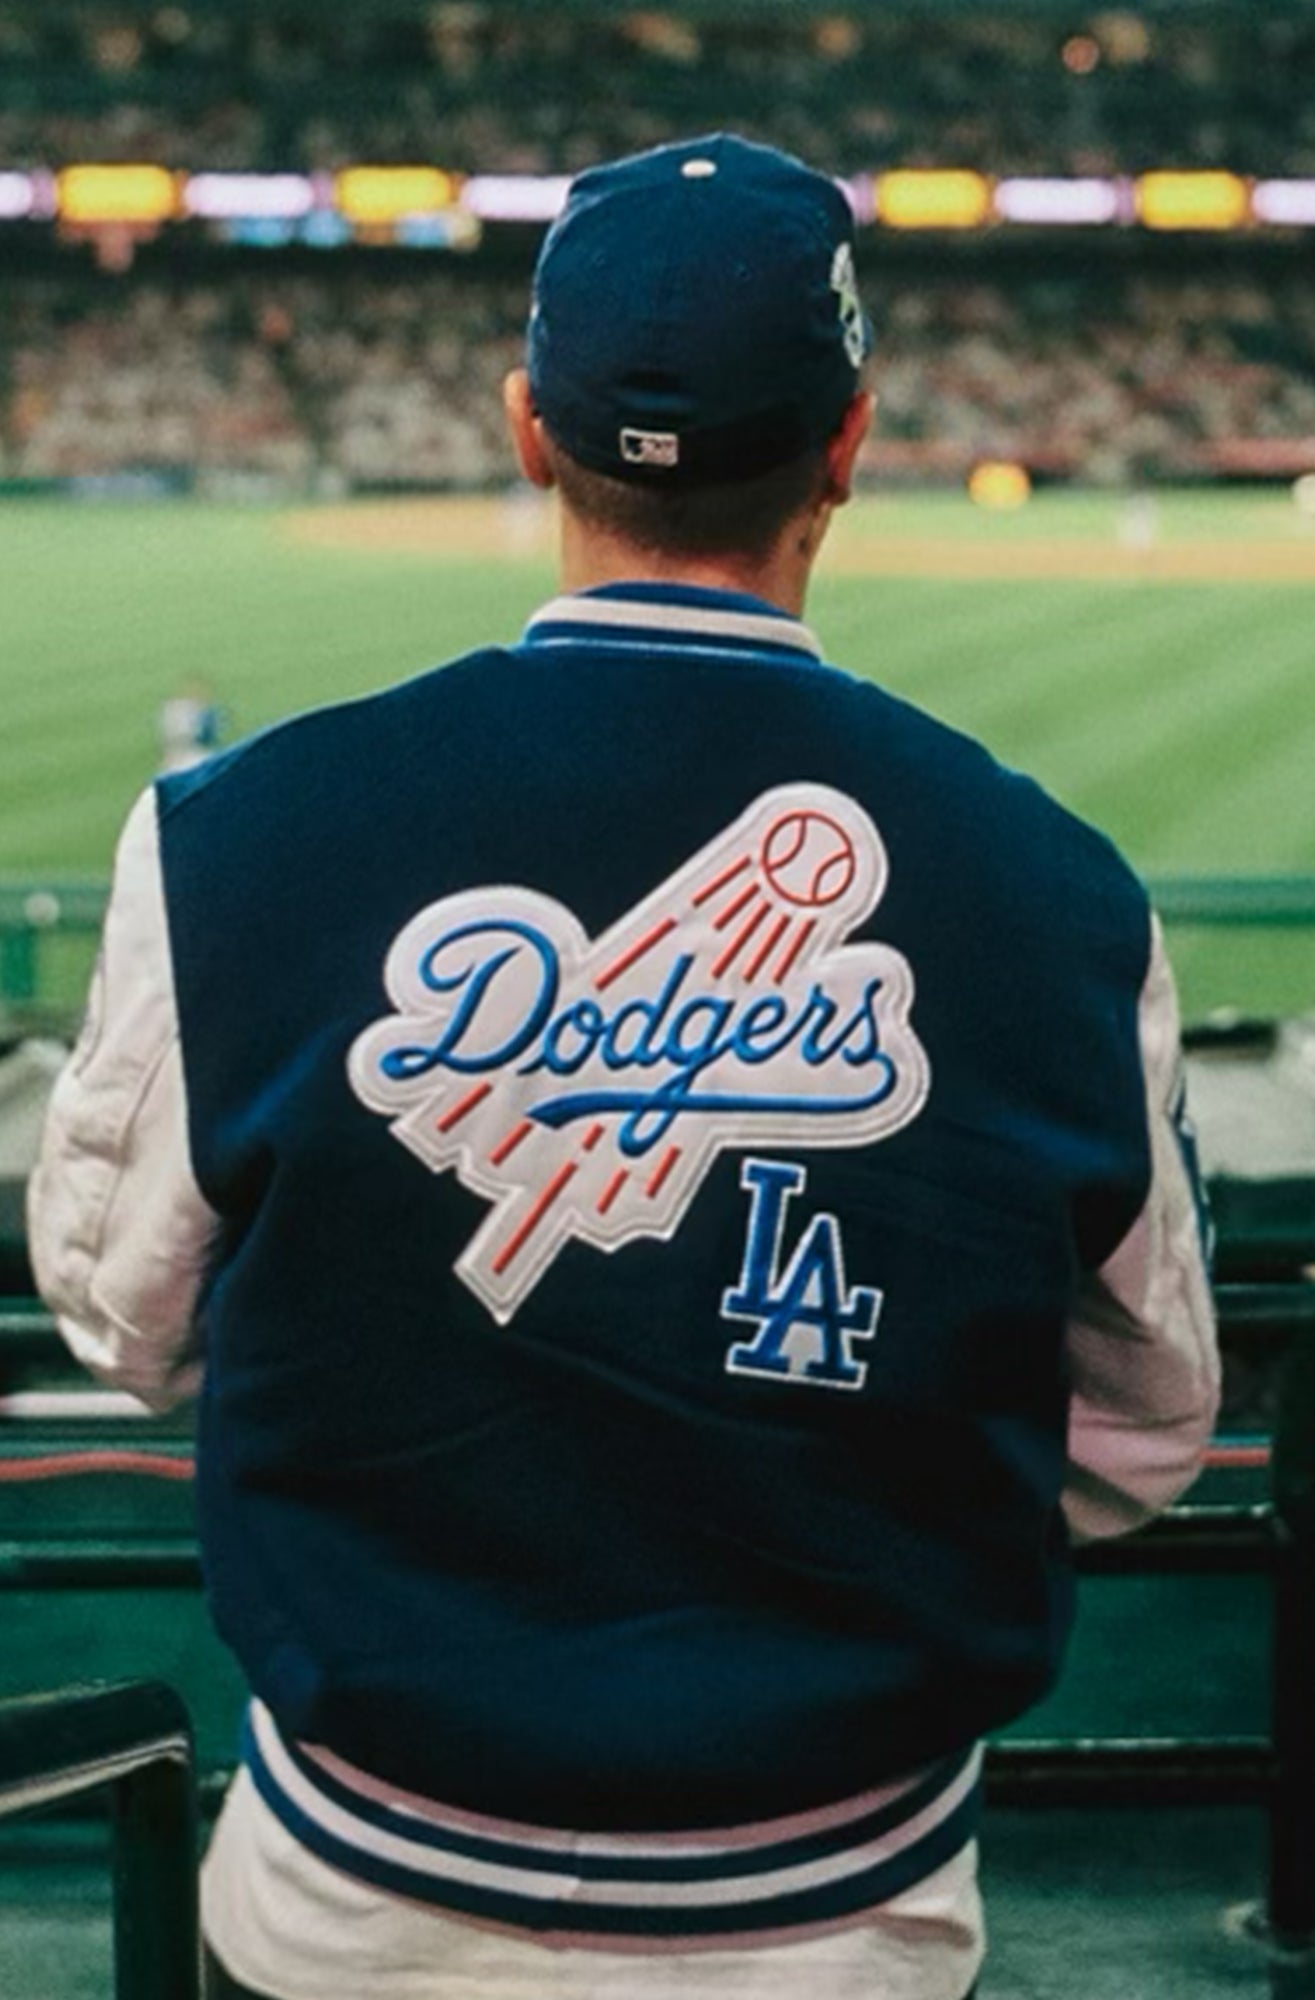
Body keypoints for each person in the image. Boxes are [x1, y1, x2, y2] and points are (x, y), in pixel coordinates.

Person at [27, 134, 1219, 2000]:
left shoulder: (231, 835)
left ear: (525, 429)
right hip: (850, 1919)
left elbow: (126, 1321)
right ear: (848, 443)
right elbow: (1144, 1431)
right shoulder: (1056, 891)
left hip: (354, 1900)